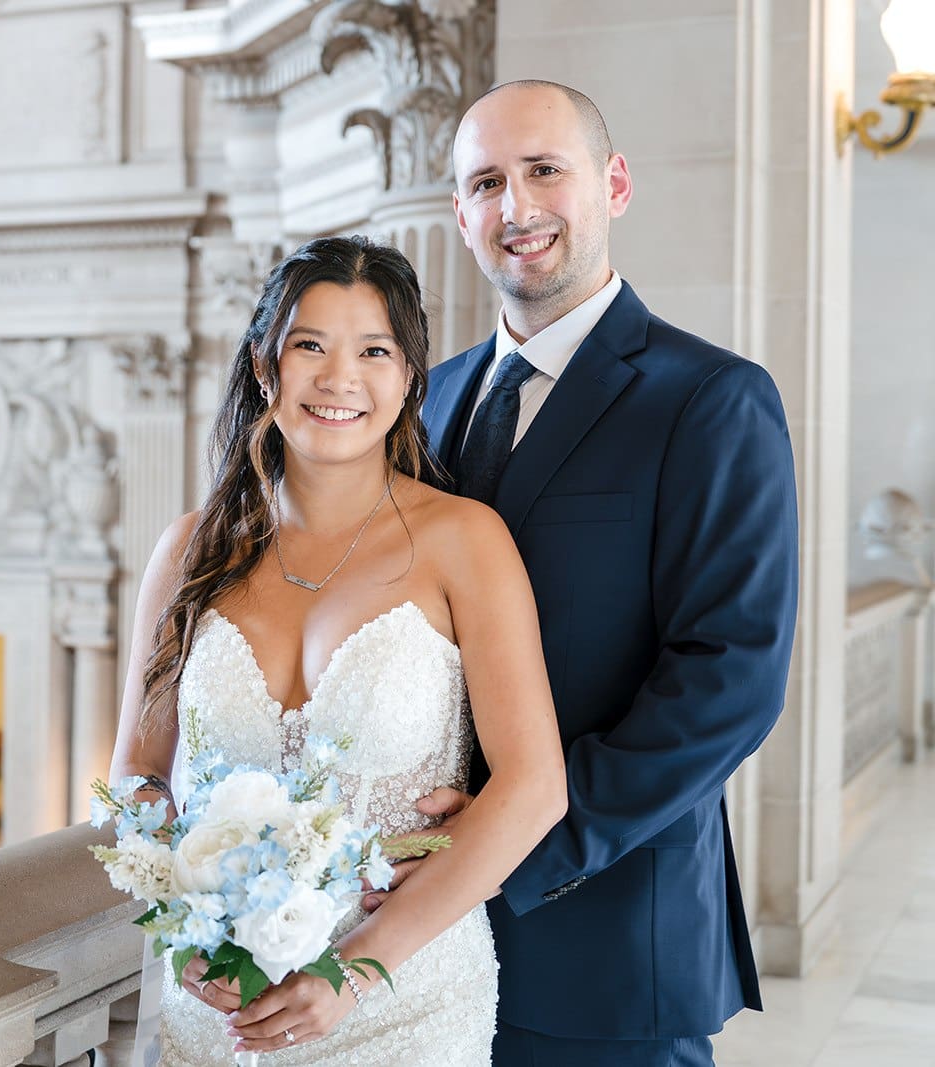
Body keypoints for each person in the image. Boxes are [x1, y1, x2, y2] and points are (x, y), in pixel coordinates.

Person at [371, 80, 799, 1066]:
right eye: (485, 182)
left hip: (603, 937)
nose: (514, 207)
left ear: (612, 184)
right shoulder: (423, 402)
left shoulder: (710, 400)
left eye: (542, 171)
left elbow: (728, 679)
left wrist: (508, 844)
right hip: (409, 942)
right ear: (459, 215)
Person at [108, 235, 569, 1065]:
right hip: (218, 1009)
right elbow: (138, 777)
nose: (338, 378)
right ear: (263, 365)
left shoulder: (464, 541)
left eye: (374, 351)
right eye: (309, 346)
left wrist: (354, 970)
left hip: (405, 997)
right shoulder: (188, 552)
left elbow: (534, 787)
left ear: (407, 377)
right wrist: (185, 930)